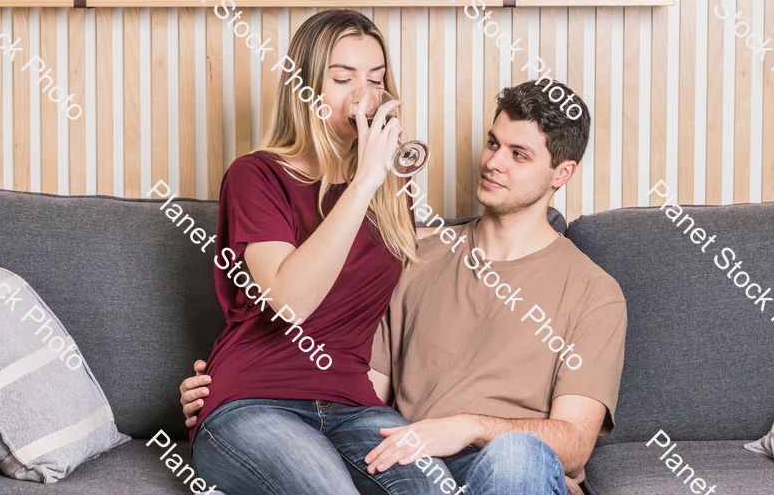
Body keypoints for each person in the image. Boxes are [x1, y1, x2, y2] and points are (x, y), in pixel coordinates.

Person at [182, 79, 627, 495]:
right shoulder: (408, 256)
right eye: (493, 143)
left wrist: (469, 426)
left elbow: (573, 443)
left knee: (518, 453)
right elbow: (353, 392)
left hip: (510, 473)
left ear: (561, 173)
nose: (494, 162)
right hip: (411, 467)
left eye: (519, 154)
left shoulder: (594, 292)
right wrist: (228, 389)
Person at [188, 9, 454, 495]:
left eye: (376, 79)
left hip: (354, 405)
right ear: (305, 88)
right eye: (341, 78)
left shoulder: (393, 193)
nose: (364, 95)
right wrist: (366, 181)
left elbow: (375, 317)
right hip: (253, 401)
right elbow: (290, 303)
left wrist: (375, 179)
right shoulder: (257, 175)